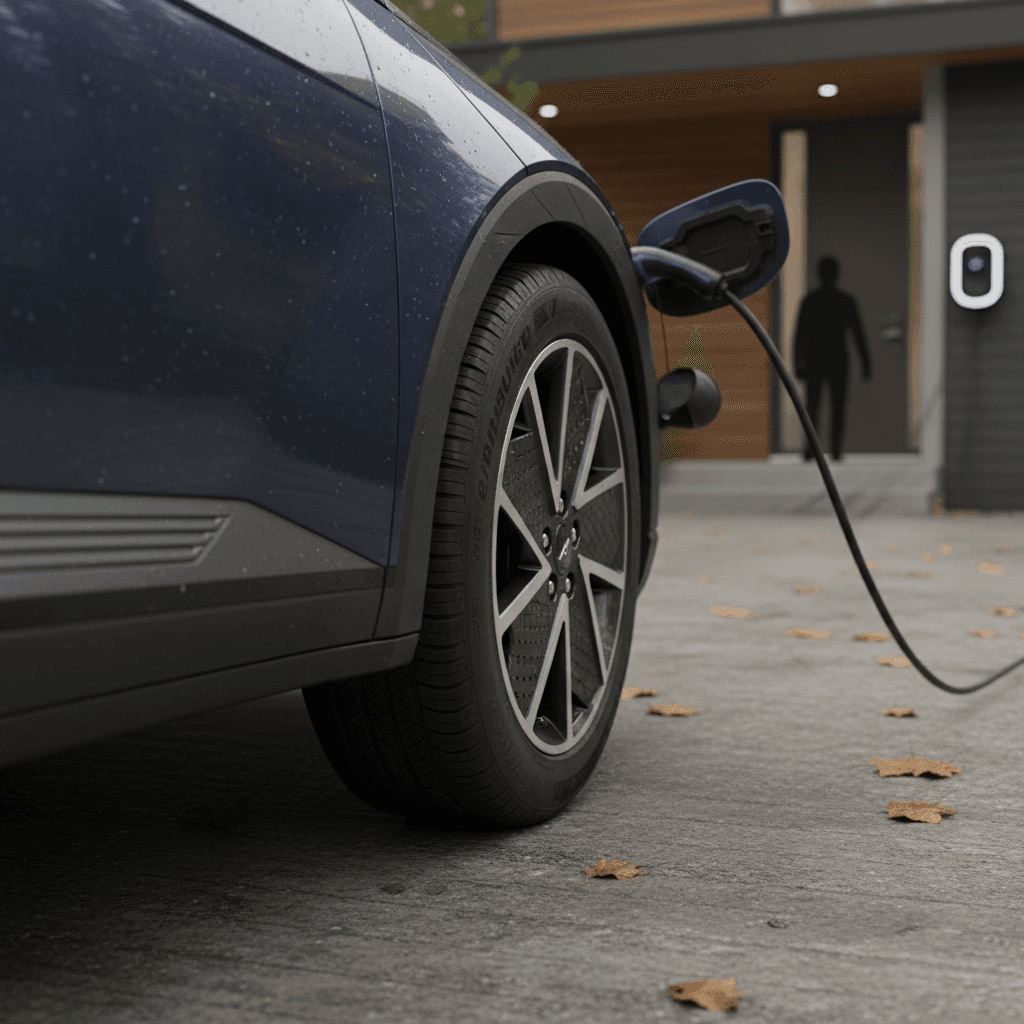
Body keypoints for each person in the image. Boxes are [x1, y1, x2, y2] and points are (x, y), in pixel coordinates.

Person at [792, 256, 872, 462]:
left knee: (816, 406)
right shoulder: (842, 301)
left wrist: (797, 362)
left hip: (818, 359)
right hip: (833, 359)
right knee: (831, 407)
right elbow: (857, 333)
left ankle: (815, 449)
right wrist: (865, 363)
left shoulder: (812, 301)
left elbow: (799, 336)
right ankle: (831, 450)